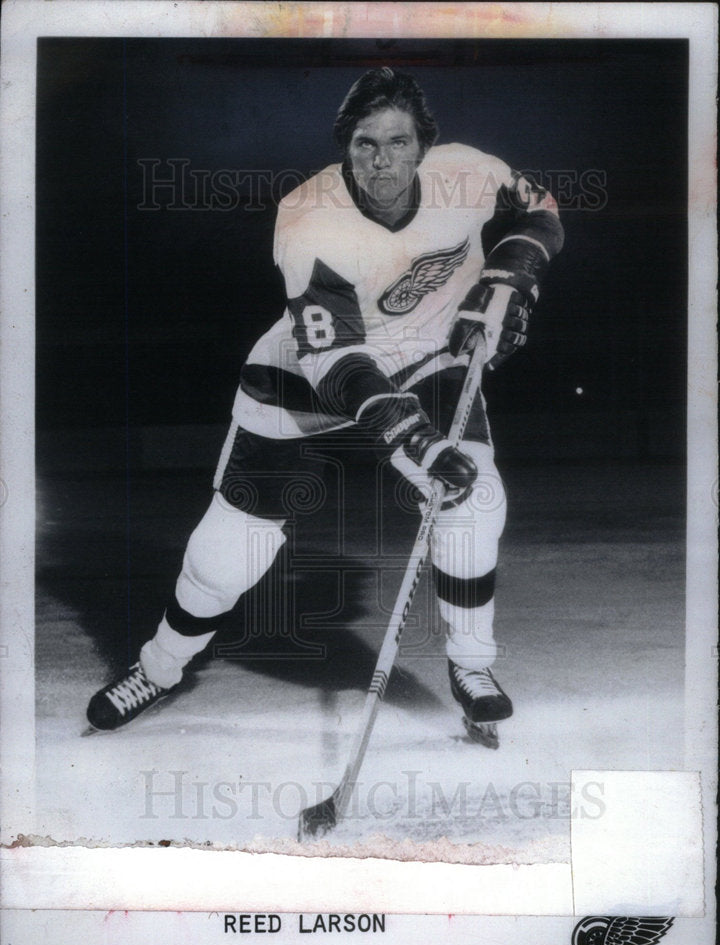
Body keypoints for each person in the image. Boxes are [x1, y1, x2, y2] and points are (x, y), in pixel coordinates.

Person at [86, 67, 563, 743]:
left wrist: (513, 277)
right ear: (347, 148)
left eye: (398, 142)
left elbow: (539, 208)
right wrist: (410, 438)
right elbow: (336, 360)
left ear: (423, 144)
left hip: (431, 361)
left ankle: (472, 667)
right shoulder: (311, 218)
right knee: (226, 559)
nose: (383, 161)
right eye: (366, 144)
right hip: (307, 384)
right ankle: (159, 667)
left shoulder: (469, 173)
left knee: (475, 503)